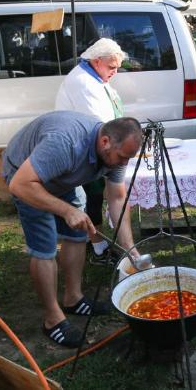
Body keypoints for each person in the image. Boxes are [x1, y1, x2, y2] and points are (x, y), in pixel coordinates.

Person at [2, 113, 143, 347]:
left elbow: (117, 198)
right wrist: (66, 211)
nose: (124, 164)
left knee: (79, 232)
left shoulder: (116, 153)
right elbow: (20, 184)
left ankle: (73, 298)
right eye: (122, 157)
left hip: (64, 177)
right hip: (25, 177)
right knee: (45, 247)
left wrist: (129, 248)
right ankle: (53, 320)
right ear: (105, 141)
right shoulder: (66, 144)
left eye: (128, 159)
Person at [55, 38, 126, 265]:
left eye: (117, 67)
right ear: (97, 61)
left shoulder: (95, 76)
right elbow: (99, 123)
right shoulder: (83, 82)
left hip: (97, 148)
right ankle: (97, 248)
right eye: (112, 67)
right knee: (91, 199)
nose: (115, 72)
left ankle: (100, 243)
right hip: (83, 151)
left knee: (98, 198)